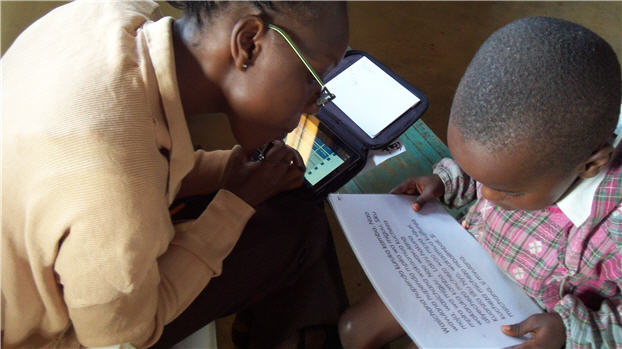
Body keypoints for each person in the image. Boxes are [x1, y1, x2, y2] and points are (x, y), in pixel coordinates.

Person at [1, 1, 350, 348]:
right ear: (248, 43)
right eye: (312, 78)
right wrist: (235, 205)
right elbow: (122, 337)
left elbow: (148, 163)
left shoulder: (101, 16)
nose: (314, 103)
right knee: (297, 226)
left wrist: (227, 172)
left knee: (289, 199)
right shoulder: (112, 181)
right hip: (56, 337)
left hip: (53, 257)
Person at [338, 16, 622, 349]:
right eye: (480, 178)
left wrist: (570, 333)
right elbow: (486, 171)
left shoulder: (613, 224)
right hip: (466, 261)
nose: (485, 194)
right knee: (353, 329)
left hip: (530, 320)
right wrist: (445, 181)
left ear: (589, 165)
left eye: (508, 190)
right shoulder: (520, 157)